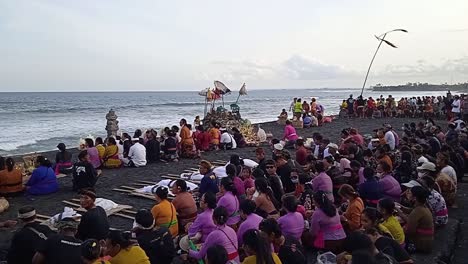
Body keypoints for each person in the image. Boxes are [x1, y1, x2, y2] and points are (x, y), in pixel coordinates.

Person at [397, 186, 434, 253]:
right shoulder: (422, 206)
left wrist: (399, 212)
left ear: (415, 198)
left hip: (420, 245)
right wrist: (400, 207)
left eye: (409, 193)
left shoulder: (418, 211)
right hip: (426, 242)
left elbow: (410, 231)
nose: (407, 194)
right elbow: (411, 211)